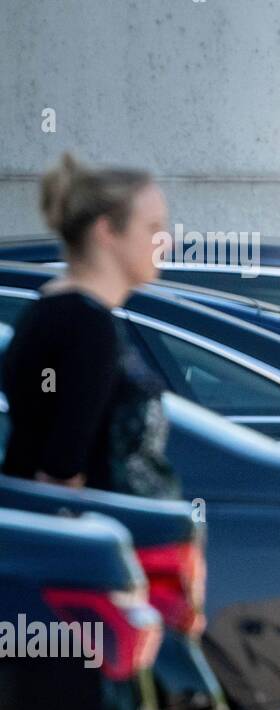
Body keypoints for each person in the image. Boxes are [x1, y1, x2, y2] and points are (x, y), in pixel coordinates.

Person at [0, 152, 179, 498]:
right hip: (88, 536)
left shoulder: (62, 311)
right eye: (153, 228)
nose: (166, 241)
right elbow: (60, 469)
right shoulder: (85, 324)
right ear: (106, 231)